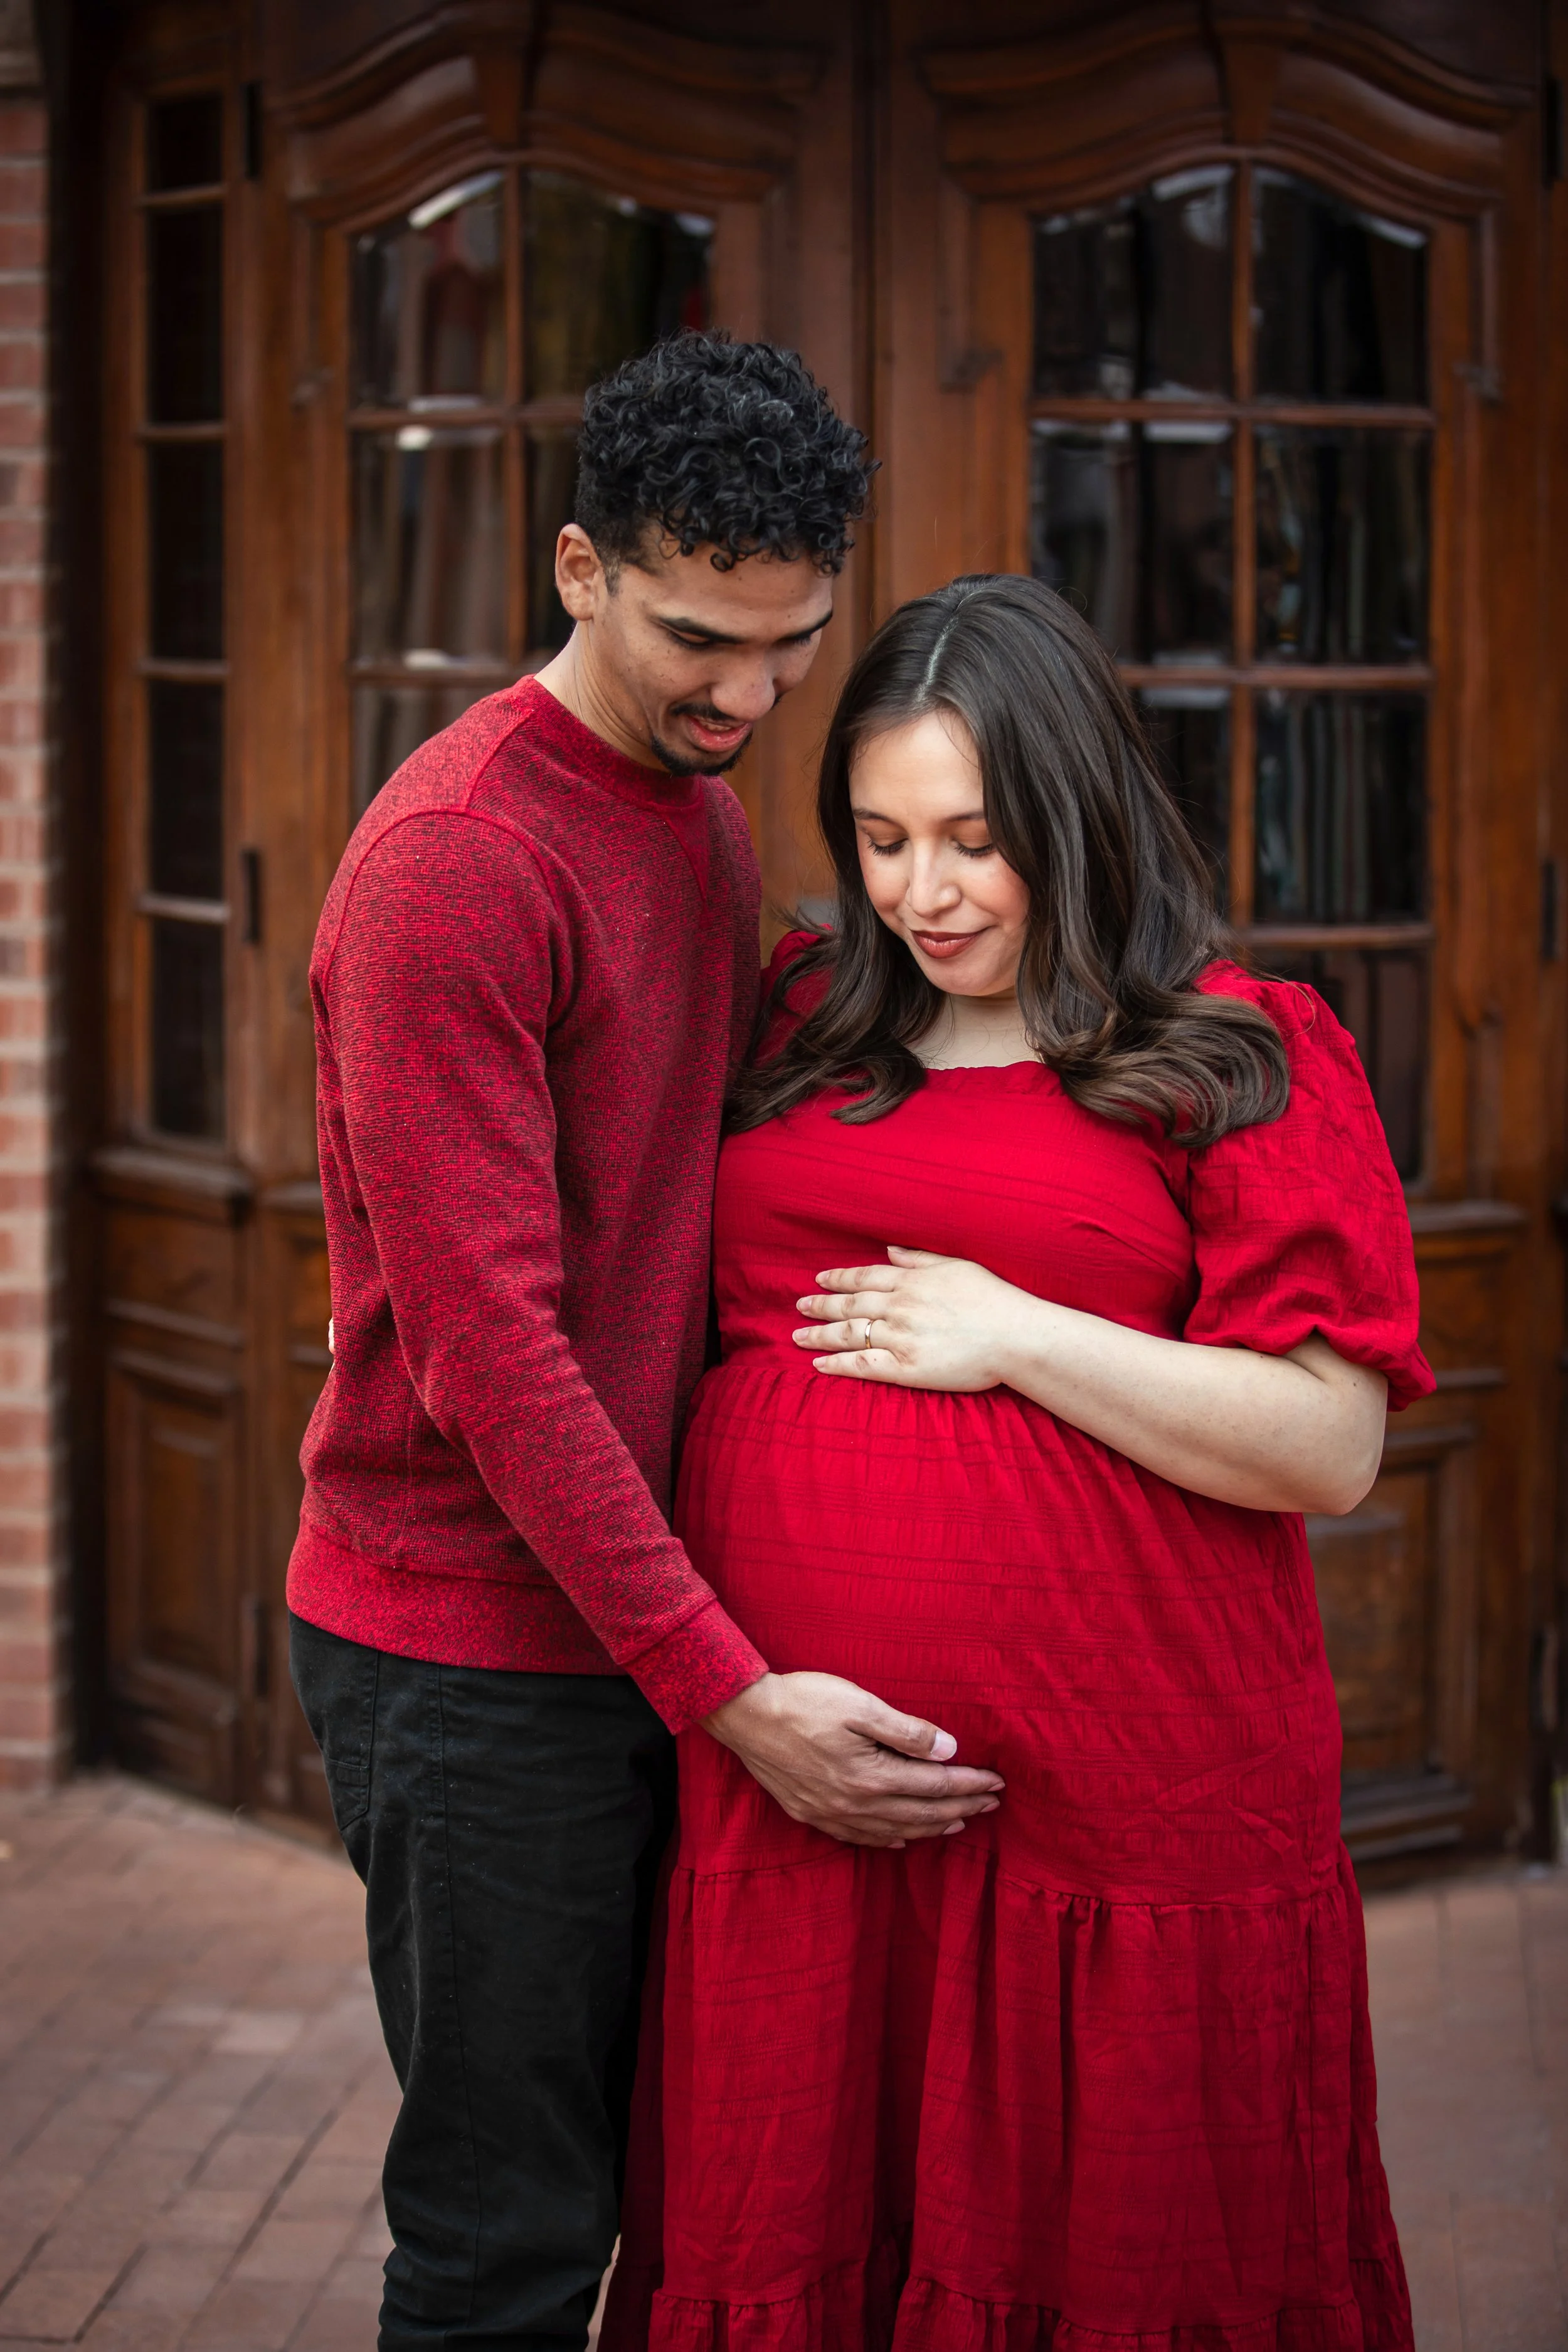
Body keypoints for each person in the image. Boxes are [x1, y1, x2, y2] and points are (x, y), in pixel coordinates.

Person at [602, 573, 1430, 2352]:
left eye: (976, 836)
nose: (925, 890)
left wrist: (1017, 1333)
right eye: (883, 837)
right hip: (801, 1775)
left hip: (1124, 1803)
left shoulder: (1230, 1051)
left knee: (1114, 2242)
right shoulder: (805, 1008)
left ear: (1075, 806)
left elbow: (1330, 1443)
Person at [286, 336, 1003, 2352]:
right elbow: (492, 1355)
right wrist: (732, 1693)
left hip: (627, 1619)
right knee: (509, 2234)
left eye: (791, 647)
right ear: (579, 564)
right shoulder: (455, 864)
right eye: (704, 638)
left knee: (662, 2192)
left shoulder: (685, 811)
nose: (751, 696)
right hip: (467, 1650)